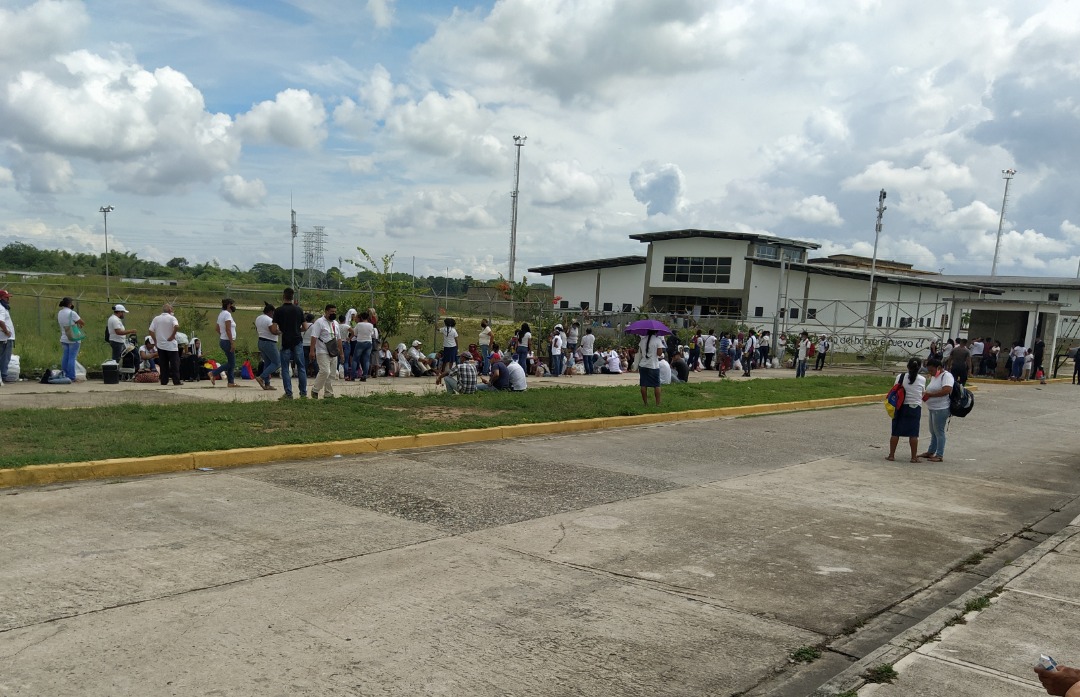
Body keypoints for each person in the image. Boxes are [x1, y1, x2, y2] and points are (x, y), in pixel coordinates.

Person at [887, 357, 925, 463]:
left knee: (895, 431)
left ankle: (891, 455)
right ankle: (913, 457)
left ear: (907, 366)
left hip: (900, 406)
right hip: (915, 407)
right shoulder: (922, 379)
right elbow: (922, 393)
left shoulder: (900, 376)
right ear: (920, 368)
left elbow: (895, 389)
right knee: (913, 433)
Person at [273, 287, 307, 400]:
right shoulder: (299, 310)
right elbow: (305, 327)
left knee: (285, 368)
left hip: (286, 341)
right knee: (301, 367)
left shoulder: (278, 311)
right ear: (293, 297)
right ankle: (303, 393)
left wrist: (281, 331)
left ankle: (288, 393)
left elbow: (274, 329)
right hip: (297, 340)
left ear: (283, 296)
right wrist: (297, 330)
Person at [919, 356, 954, 463]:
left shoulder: (946, 376)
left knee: (939, 431)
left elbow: (947, 390)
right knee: (933, 431)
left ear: (938, 367)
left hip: (941, 408)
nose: (930, 372)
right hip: (932, 408)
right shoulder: (935, 376)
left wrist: (930, 395)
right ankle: (931, 451)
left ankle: (939, 454)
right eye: (929, 370)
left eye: (932, 370)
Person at [309, 304, 341, 399]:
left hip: (333, 351)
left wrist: (341, 352)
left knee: (332, 373)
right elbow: (314, 336)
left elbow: (338, 338)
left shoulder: (335, 323)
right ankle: (315, 390)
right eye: (332, 312)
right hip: (322, 350)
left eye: (335, 312)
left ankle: (328, 393)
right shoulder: (319, 322)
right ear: (326, 311)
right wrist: (312, 351)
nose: (333, 313)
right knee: (325, 371)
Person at [149, 304, 182, 386]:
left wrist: (155, 340)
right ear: (170, 310)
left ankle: (164, 380)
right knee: (174, 363)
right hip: (171, 345)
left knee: (163, 364)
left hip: (160, 345)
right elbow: (177, 326)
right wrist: (172, 335)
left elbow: (151, 330)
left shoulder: (156, 319)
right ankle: (176, 380)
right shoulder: (172, 318)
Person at [57, 296, 85, 381]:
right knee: (72, 358)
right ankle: (71, 376)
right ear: (70, 304)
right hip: (73, 338)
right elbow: (82, 322)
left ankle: (64, 374)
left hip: (64, 337)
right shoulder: (72, 313)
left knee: (65, 356)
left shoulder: (60, 313)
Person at [210, 298, 237, 387]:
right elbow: (228, 329)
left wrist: (223, 335)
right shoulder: (227, 315)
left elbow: (217, 328)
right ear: (229, 305)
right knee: (232, 363)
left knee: (230, 361)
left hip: (223, 340)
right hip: (228, 341)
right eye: (232, 304)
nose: (233, 306)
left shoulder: (221, 314)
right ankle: (213, 373)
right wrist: (231, 342)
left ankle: (231, 382)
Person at [254, 301, 279, 391]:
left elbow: (257, 329)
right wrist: (280, 331)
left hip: (261, 341)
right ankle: (262, 377)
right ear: (271, 311)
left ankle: (267, 384)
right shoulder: (269, 320)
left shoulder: (258, 318)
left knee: (267, 363)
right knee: (277, 362)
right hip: (269, 342)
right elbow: (273, 331)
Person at [352, 310, 376, 381]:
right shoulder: (371, 325)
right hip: (369, 342)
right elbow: (372, 334)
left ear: (361, 318)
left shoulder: (359, 325)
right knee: (366, 359)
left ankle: (353, 375)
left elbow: (355, 333)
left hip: (360, 342)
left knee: (355, 359)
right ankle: (364, 375)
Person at [0, 289, 14, 384]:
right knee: (5, 357)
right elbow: (1, 321)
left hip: (5, 337)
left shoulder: (4, 307)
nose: (8, 299)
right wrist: (6, 331)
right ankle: (3, 375)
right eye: (6, 297)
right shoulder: (1, 307)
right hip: (5, 337)